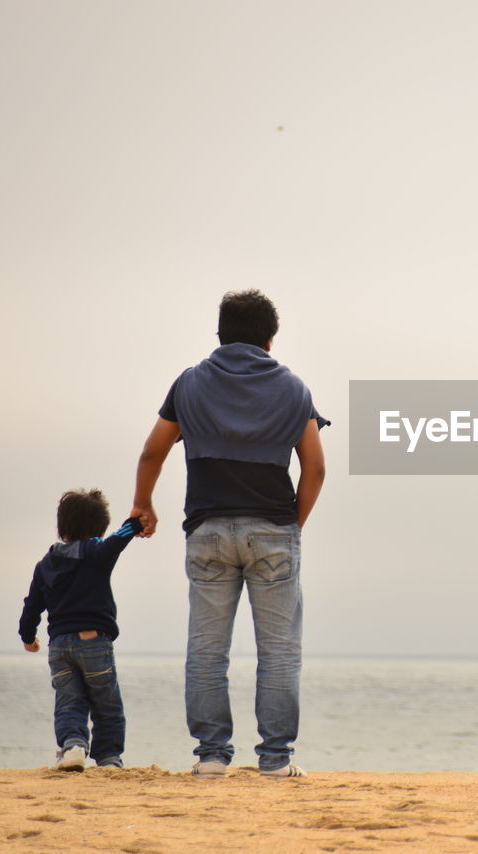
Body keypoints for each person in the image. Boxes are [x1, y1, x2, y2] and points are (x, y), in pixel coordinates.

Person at [130, 289, 327, 779]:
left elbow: (153, 451)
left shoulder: (190, 383)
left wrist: (142, 503)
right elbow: (316, 468)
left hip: (208, 531)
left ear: (219, 334)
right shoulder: (294, 390)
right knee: (279, 651)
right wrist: (290, 527)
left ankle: (212, 758)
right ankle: (276, 762)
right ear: (270, 339)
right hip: (273, 531)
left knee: (207, 649)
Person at [18, 489, 143, 771]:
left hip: (59, 646)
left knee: (69, 701)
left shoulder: (45, 563)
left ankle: (73, 745)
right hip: (94, 642)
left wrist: (28, 637)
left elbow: (32, 605)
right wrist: (135, 523)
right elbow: (117, 541)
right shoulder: (96, 552)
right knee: (106, 703)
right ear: (99, 526)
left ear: (63, 527)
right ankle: (109, 759)